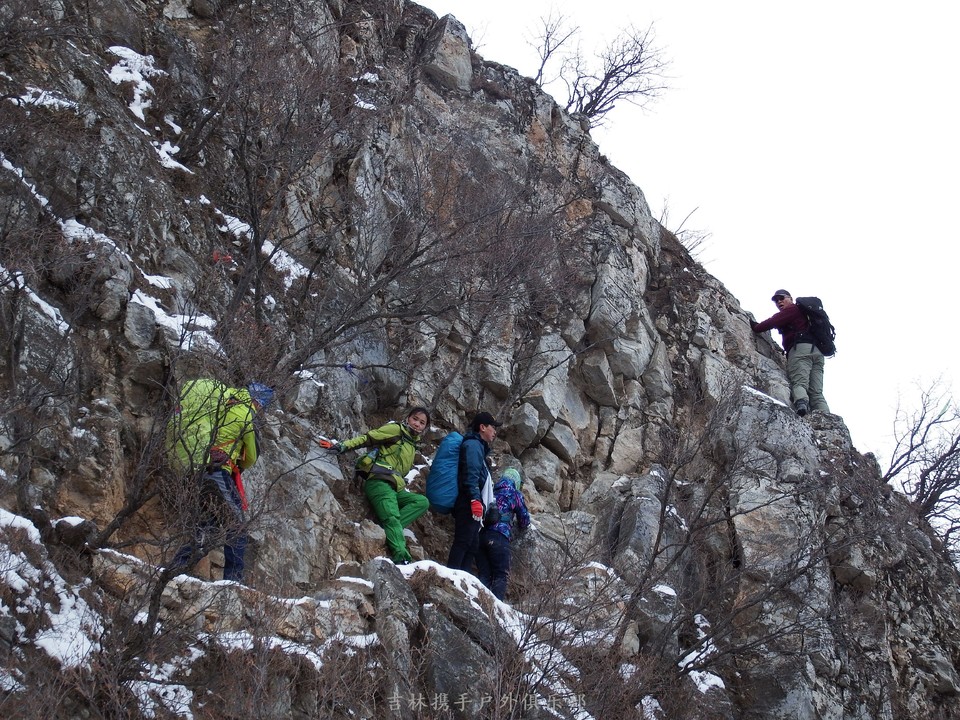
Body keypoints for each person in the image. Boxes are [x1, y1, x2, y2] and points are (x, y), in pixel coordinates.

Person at [168, 379, 274, 582]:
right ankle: (233, 582)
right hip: (219, 472)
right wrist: (238, 466)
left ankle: (177, 567)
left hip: (197, 466)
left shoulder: (222, 401)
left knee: (206, 522)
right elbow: (251, 456)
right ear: (258, 403)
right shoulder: (245, 415)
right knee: (238, 527)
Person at [332, 407, 430, 565]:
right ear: (408, 418)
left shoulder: (411, 445)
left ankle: (387, 531)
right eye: (415, 419)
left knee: (421, 502)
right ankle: (401, 557)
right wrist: (344, 445)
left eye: (422, 423)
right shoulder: (396, 430)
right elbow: (368, 438)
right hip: (379, 481)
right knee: (392, 517)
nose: (417, 424)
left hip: (393, 487)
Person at [751, 289, 830, 416]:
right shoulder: (804, 313)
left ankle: (801, 405)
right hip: (817, 352)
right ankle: (826, 418)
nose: (779, 302)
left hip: (800, 350)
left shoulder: (792, 310)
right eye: (776, 301)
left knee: (799, 382)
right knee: (816, 391)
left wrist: (756, 327)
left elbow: (772, 321)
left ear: (790, 298)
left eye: (782, 298)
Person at [446, 411, 501, 573]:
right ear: (482, 427)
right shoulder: (473, 445)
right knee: (464, 541)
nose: (495, 431)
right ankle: (451, 577)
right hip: (468, 500)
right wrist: (475, 499)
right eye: (493, 427)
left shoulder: (479, 447)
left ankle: (462, 581)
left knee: (472, 545)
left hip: (472, 500)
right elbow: (471, 474)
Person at [477, 467, 531, 601]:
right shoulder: (514, 494)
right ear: (516, 482)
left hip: (480, 536)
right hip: (499, 536)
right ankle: (494, 611)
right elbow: (524, 520)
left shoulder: (491, 489)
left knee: (484, 574)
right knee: (500, 575)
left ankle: (479, 606)